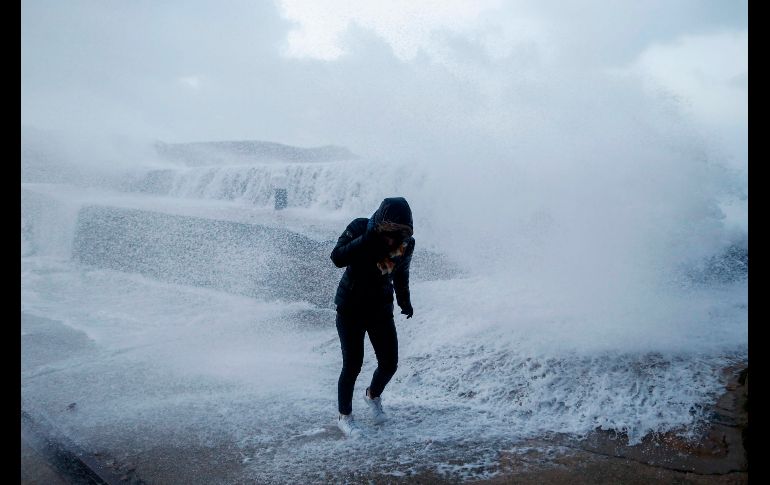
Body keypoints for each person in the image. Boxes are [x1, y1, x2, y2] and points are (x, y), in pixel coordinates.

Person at [330, 197, 415, 437]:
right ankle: (344, 417)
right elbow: (337, 258)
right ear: (379, 223)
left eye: (399, 233)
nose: (392, 238)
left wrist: (404, 301)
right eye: (389, 231)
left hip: (380, 309)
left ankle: (372, 396)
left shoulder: (405, 244)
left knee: (389, 364)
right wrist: (367, 240)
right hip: (350, 308)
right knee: (352, 365)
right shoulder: (359, 228)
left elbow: (401, 274)